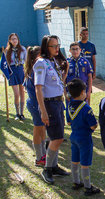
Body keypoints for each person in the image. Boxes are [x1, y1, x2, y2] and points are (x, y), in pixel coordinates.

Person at [34, 35, 69, 185]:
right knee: (57, 138)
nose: (57, 48)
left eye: (57, 45)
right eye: (53, 46)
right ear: (45, 48)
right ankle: (47, 169)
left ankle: (53, 166)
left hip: (57, 103)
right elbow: (38, 88)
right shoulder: (41, 63)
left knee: (57, 136)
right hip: (49, 105)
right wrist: (43, 111)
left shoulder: (52, 61)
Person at [66, 78, 100, 196]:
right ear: (82, 93)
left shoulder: (69, 106)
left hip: (74, 136)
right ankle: (87, 186)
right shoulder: (86, 108)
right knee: (85, 163)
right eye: (85, 91)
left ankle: (76, 182)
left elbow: (69, 123)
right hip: (85, 139)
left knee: (75, 160)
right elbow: (93, 126)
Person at [24, 46, 46, 167]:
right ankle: (39, 157)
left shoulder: (33, 68)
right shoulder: (34, 70)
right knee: (38, 129)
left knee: (42, 129)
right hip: (35, 104)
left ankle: (43, 153)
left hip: (36, 103)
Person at [5, 33, 27, 120]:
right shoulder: (7, 51)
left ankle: (22, 113)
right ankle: (17, 113)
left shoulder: (22, 49)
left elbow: (26, 61)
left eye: (16, 39)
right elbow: (6, 63)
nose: (15, 40)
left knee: (22, 92)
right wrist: (5, 72)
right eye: (13, 39)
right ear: (10, 41)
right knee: (16, 94)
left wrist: (26, 71)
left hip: (21, 70)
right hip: (12, 71)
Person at [65, 42, 93, 106]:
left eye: (77, 49)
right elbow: (64, 79)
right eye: (73, 49)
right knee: (71, 110)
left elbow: (89, 77)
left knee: (83, 110)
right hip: (71, 92)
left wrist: (89, 91)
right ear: (70, 50)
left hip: (83, 91)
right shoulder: (67, 62)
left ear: (80, 50)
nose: (75, 51)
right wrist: (65, 93)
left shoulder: (85, 62)